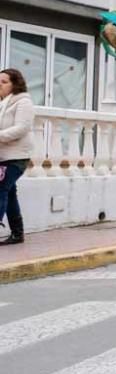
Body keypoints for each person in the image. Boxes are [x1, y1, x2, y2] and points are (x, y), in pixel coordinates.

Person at [0, 68, 33, 246]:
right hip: (3, 155)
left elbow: (22, 128)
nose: (0, 85)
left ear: (15, 85)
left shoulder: (23, 102)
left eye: (4, 82)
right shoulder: (3, 103)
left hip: (17, 156)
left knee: (1, 189)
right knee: (9, 193)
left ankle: (17, 233)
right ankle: (17, 233)